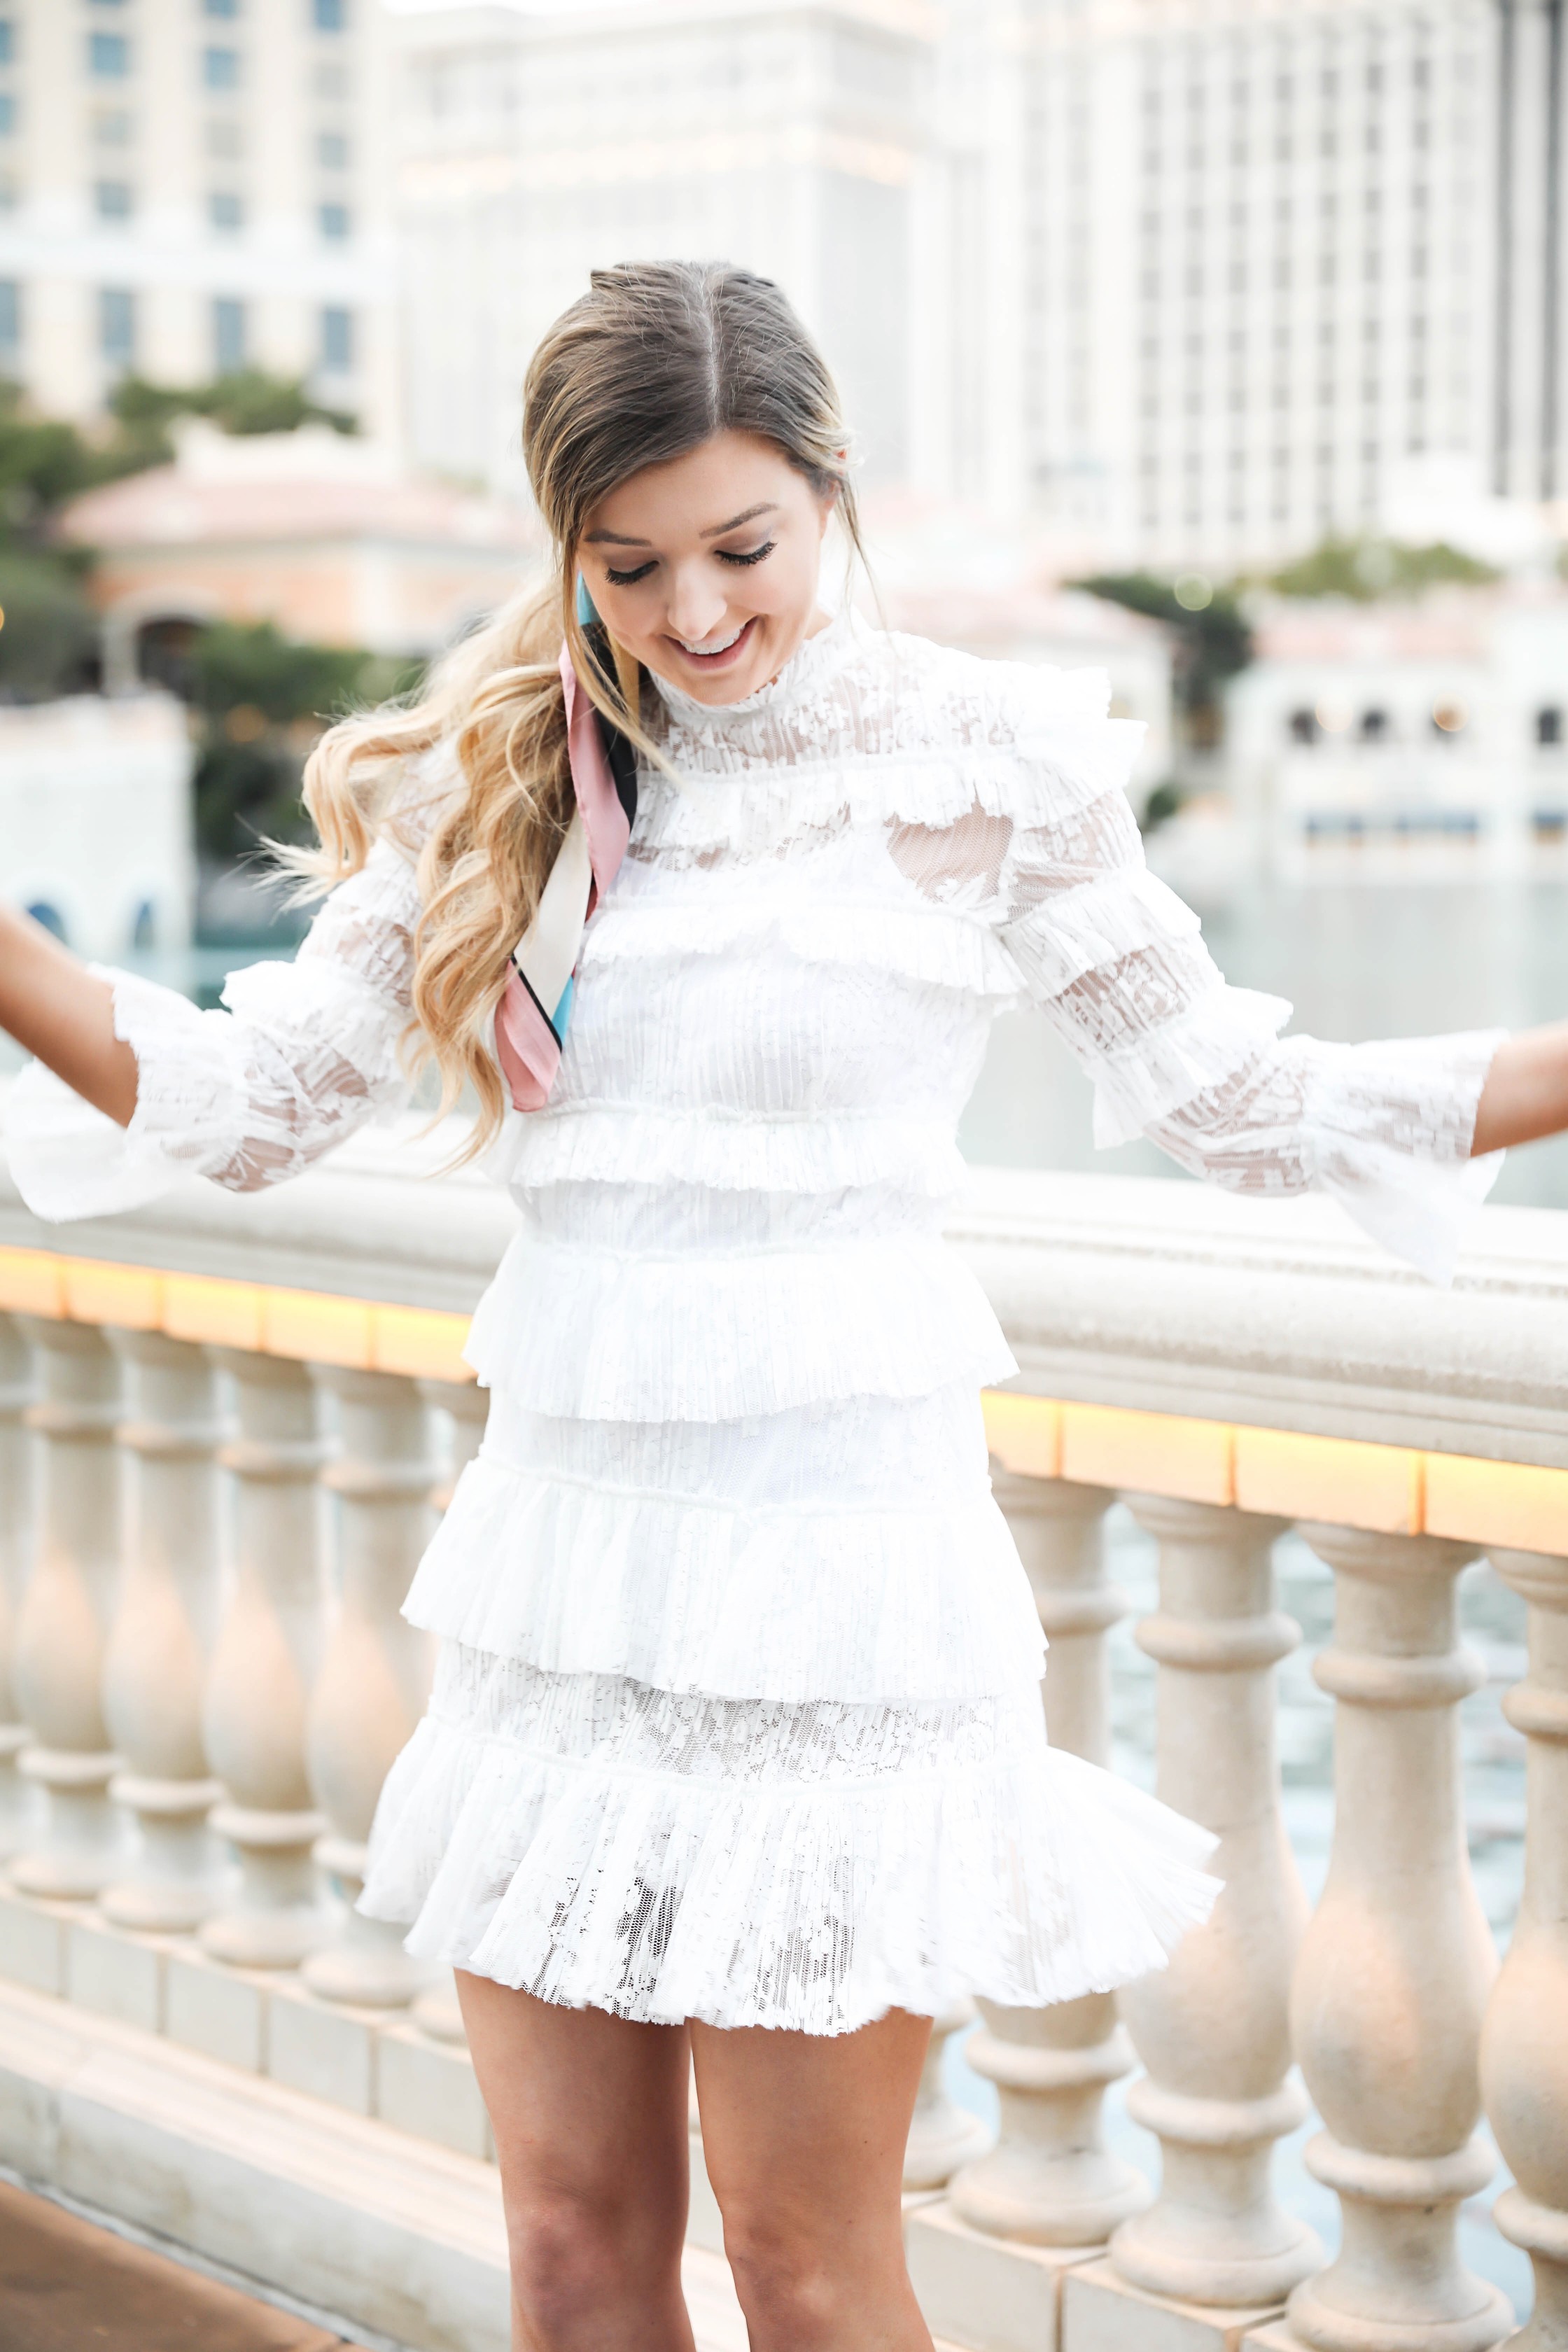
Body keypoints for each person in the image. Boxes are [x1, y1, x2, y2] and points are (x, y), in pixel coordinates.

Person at [2, 262, 1566, 2352]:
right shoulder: (513, 778)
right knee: (569, 2255)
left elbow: (1250, 1101)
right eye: (627, 566)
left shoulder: (986, 765)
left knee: (812, 2267)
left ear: (831, 491)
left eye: (743, 548)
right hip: (567, 1587)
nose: (698, 615)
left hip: (842, 1587)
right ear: (564, 546)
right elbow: (248, 1100)